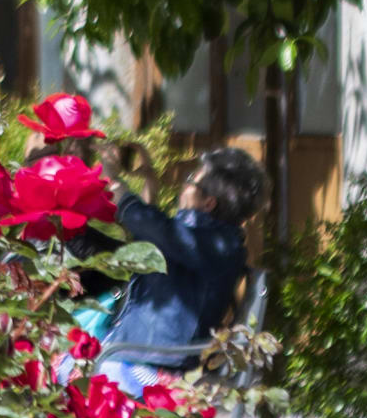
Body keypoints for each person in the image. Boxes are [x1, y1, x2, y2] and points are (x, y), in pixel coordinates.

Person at [96, 144, 263, 385]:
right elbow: (158, 238)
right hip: (135, 356)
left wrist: (115, 186)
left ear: (209, 203)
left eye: (191, 180)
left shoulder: (220, 245)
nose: (183, 186)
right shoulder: (206, 239)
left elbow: (159, 232)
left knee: (51, 379)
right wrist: (150, 184)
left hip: (151, 370)